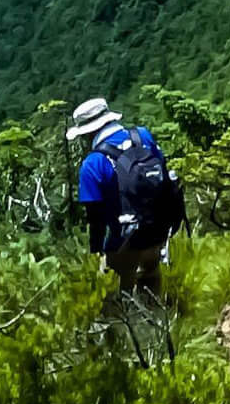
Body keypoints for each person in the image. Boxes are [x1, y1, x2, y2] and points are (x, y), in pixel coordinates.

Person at [69, 97, 181, 294]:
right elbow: (163, 174)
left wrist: (97, 252)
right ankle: (159, 320)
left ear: (88, 134)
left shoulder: (93, 163)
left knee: (112, 294)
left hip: (124, 241)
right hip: (158, 231)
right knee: (150, 278)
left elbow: (95, 218)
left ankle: (124, 322)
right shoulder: (143, 137)